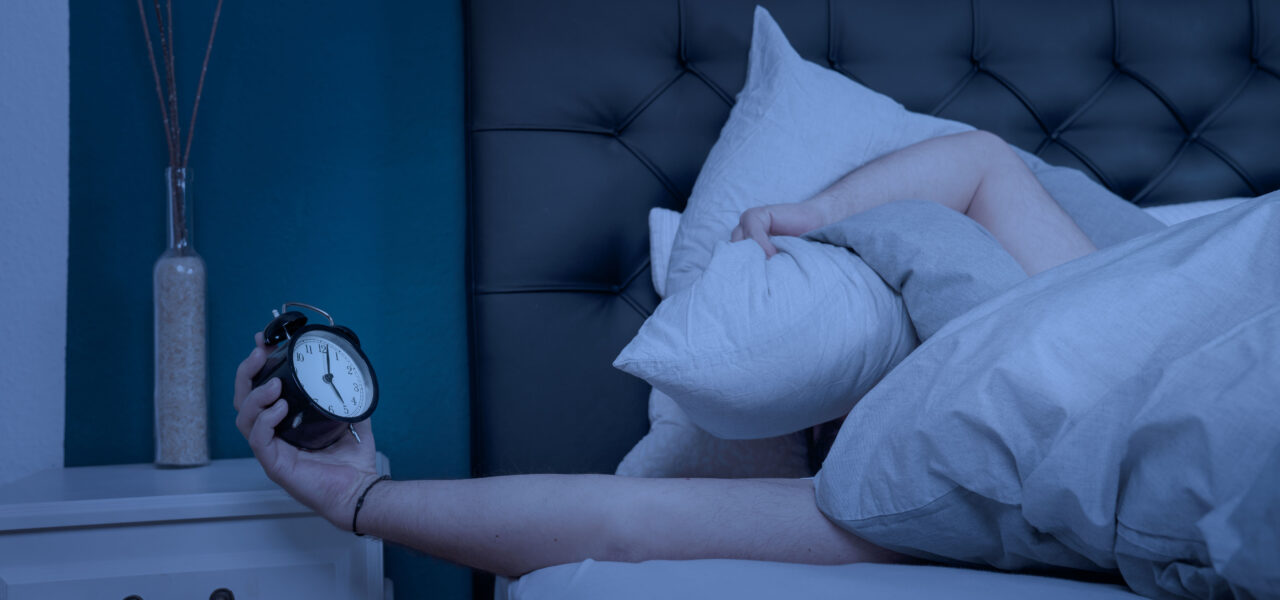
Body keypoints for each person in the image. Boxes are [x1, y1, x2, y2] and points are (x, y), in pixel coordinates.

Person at [234, 130, 1096, 577]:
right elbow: (620, 528)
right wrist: (359, 497)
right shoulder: (907, 487)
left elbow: (984, 166)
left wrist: (818, 210)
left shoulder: (1071, 304)